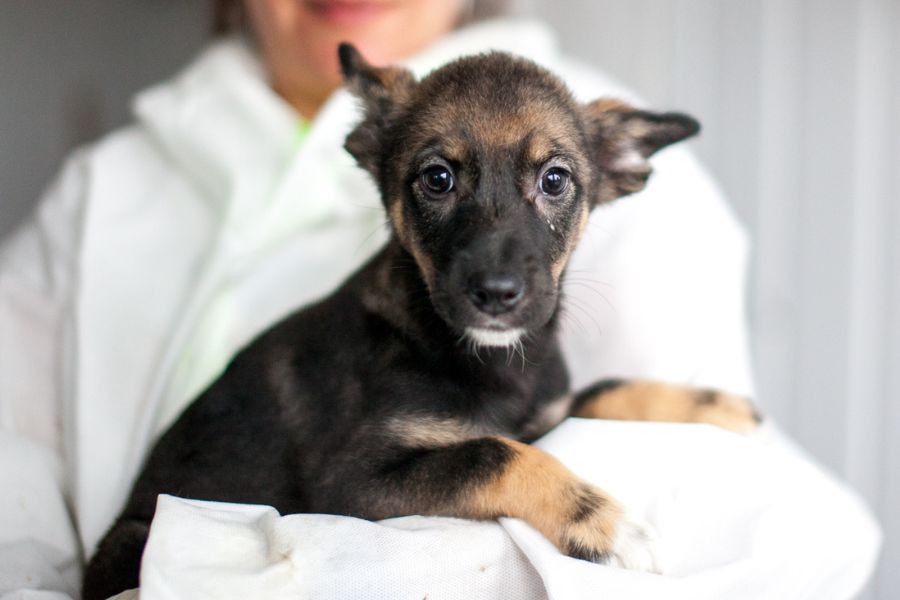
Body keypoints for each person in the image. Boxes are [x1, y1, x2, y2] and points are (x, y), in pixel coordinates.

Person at [0, 1, 878, 598]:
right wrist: (526, 483)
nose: (498, 272)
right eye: (441, 178)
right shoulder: (96, 194)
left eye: (552, 182)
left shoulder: (636, 182)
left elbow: (728, 527)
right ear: (377, 151)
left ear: (614, 170)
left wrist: (643, 404)